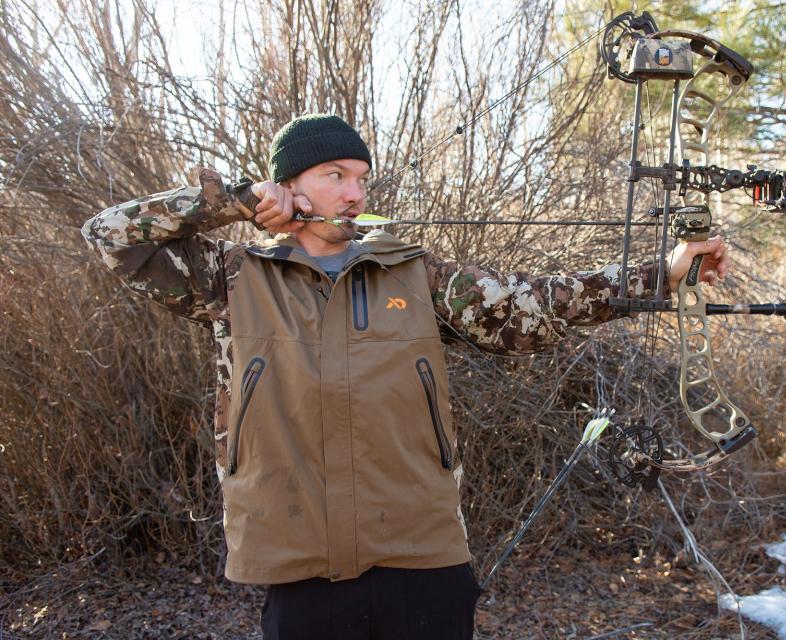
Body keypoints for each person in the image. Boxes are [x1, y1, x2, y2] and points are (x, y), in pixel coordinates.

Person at [82, 114, 729, 639]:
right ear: (286, 186)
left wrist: (660, 274)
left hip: (424, 558)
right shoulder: (232, 278)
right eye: (334, 175)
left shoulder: (414, 273)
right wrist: (227, 201)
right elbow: (110, 235)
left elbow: (531, 309)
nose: (355, 193)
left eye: (361, 177)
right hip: (298, 564)